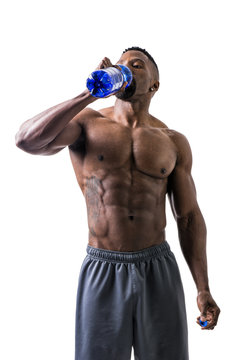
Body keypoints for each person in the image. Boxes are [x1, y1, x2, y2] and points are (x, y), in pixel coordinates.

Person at [15, 46, 221, 360]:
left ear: (154, 84)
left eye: (136, 65)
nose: (125, 67)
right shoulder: (86, 123)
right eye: (121, 63)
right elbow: (27, 140)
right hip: (103, 266)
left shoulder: (172, 140)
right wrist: (87, 95)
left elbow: (189, 216)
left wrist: (203, 288)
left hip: (158, 268)